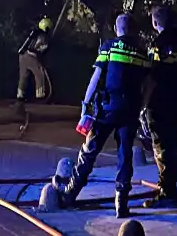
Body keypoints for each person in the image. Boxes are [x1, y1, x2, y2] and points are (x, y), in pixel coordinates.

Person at [58, 13, 151, 218]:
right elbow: (148, 85)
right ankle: (121, 203)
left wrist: (85, 105)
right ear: (133, 30)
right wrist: (141, 107)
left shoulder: (108, 48)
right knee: (125, 156)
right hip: (130, 110)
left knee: (89, 150)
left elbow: (96, 77)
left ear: (117, 29)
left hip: (107, 109)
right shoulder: (142, 54)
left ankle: (70, 194)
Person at [140, 5, 177, 208]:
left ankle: (167, 192)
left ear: (155, 22)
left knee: (161, 147)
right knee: (171, 146)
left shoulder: (158, 45)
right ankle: (171, 187)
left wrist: (143, 105)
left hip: (160, 102)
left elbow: (153, 77)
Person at [13, 16, 52, 116]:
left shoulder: (32, 33)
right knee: (39, 74)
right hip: (32, 56)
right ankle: (40, 96)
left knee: (23, 77)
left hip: (22, 55)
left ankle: (20, 96)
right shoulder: (42, 36)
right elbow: (39, 49)